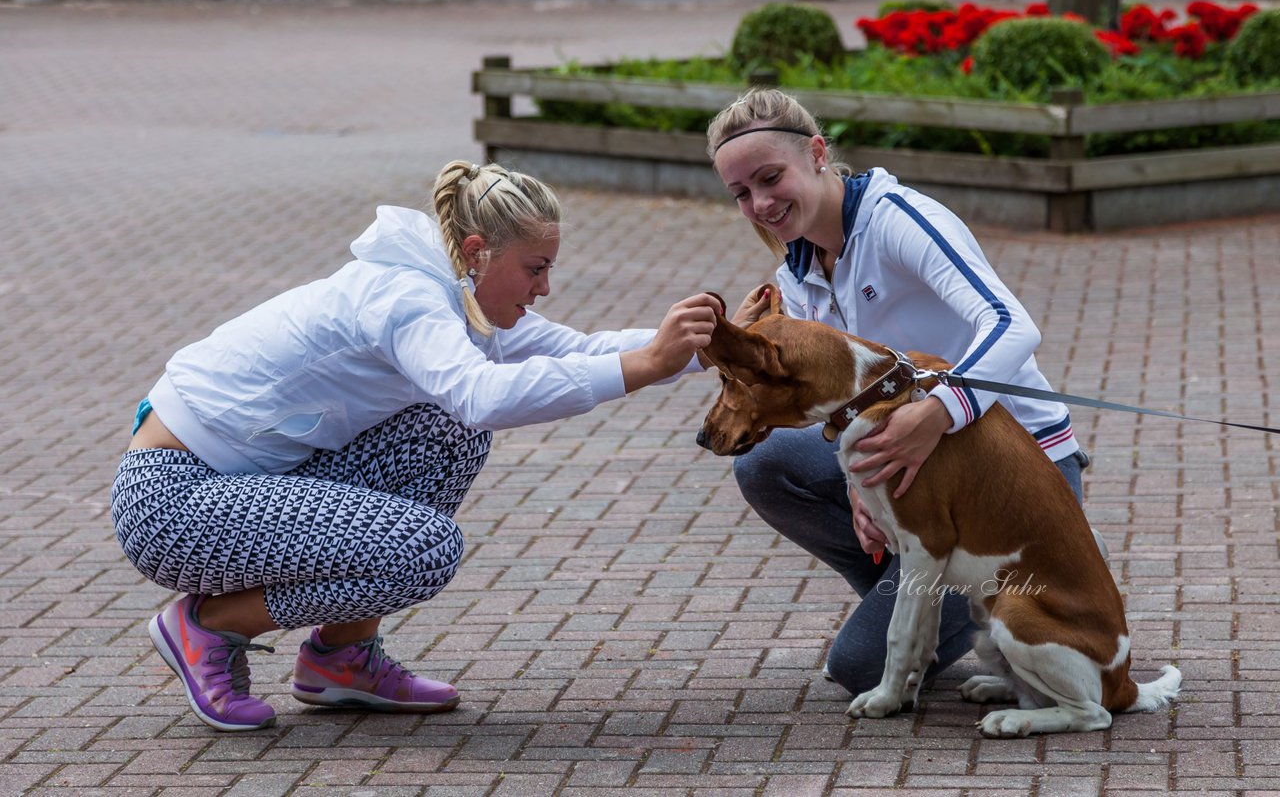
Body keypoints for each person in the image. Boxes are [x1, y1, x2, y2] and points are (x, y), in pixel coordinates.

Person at [112, 160, 720, 732]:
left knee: (448, 434)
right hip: (171, 503)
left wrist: (723, 345)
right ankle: (206, 626)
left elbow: (579, 350)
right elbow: (482, 395)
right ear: (479, 253)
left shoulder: (456, 290)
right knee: (422, 549)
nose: (545, 287)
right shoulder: (409, 298)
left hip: (233, 485)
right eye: (536, 268)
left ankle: (340, 660)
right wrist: (643, 366)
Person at [705, 88, 1095, 697]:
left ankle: (935, 602)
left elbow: (1011, 324)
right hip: (921, 472)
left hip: (1014, 473)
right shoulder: (798, 272)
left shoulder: (899, 219)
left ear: (815, 153)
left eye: (770, 177)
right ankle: (913, 591)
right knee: (765, 461)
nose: (760, 202)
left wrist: (939, 413)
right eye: (741, 194)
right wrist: (862, 490)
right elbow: (839, 406)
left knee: (859, 667)